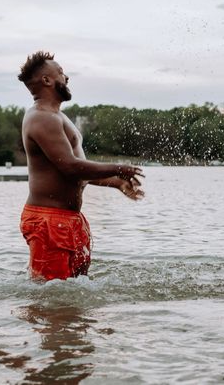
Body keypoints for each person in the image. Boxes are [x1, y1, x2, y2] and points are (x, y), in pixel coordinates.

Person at [17, 50, 144, 281]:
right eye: (61, 73)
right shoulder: (41, 118)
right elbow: (71, 167)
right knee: (51, 298)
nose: (66, 78)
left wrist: (115, 183)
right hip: (48, 221)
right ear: (47, 80)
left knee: (72, 295)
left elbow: (76, 171)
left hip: (69, 220)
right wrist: (118, 167)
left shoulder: (59, 117)